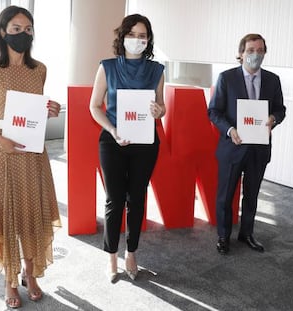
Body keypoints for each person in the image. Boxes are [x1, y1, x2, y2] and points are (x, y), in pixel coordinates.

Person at [0, 5, 62, 309]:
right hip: (2, 153)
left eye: (28, 29)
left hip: (32, 154)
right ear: (3, 32)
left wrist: (50, 108)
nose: (23, 34)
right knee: (5, 216)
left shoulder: (39, 69)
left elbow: (33, 108)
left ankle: (30, 272)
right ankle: (9, 281)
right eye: (16, 28)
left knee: (30, 213)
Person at [89, 14, 165, 282]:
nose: (137, 40)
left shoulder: (157, 70)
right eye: (132, 35)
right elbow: (94, 106)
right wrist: (112, 129)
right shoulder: (107, 67)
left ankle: (131, 253)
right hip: (113, 141)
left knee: (137, 198)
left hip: (145, 142)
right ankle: (111, 256)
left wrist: (159, 110)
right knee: (115, 199)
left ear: (148, 40)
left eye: (142, 36)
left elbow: (162, 106)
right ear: (122, 38)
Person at [208, 34, 286, 255]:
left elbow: (280, 109)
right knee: (225, 195)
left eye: (260, 50)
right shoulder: (226, 78)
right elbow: (214, 111)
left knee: (252, 195)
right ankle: (223, 236)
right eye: (251, 50)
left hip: (259, 149)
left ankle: (247, 233)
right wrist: (230, 130)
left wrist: (274, 119)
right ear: (241, 53)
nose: (256, 54)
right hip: (232, 147)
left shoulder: (273, 80)